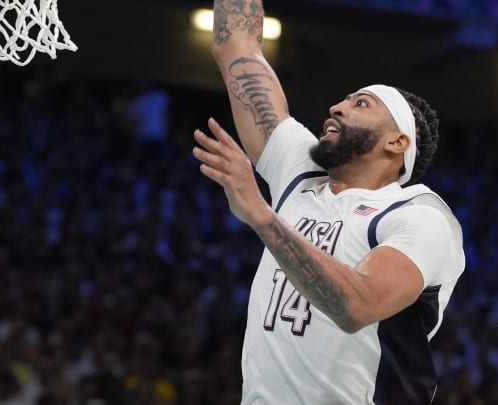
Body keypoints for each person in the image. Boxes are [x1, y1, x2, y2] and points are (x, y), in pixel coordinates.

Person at [191, 1, 465, 403]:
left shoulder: (419, 216)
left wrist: (263, 218)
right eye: (345, 100)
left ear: (397, 142)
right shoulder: (301, 172)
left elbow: (357, 304)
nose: (337, 107)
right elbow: (236, 45)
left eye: (361, 104)